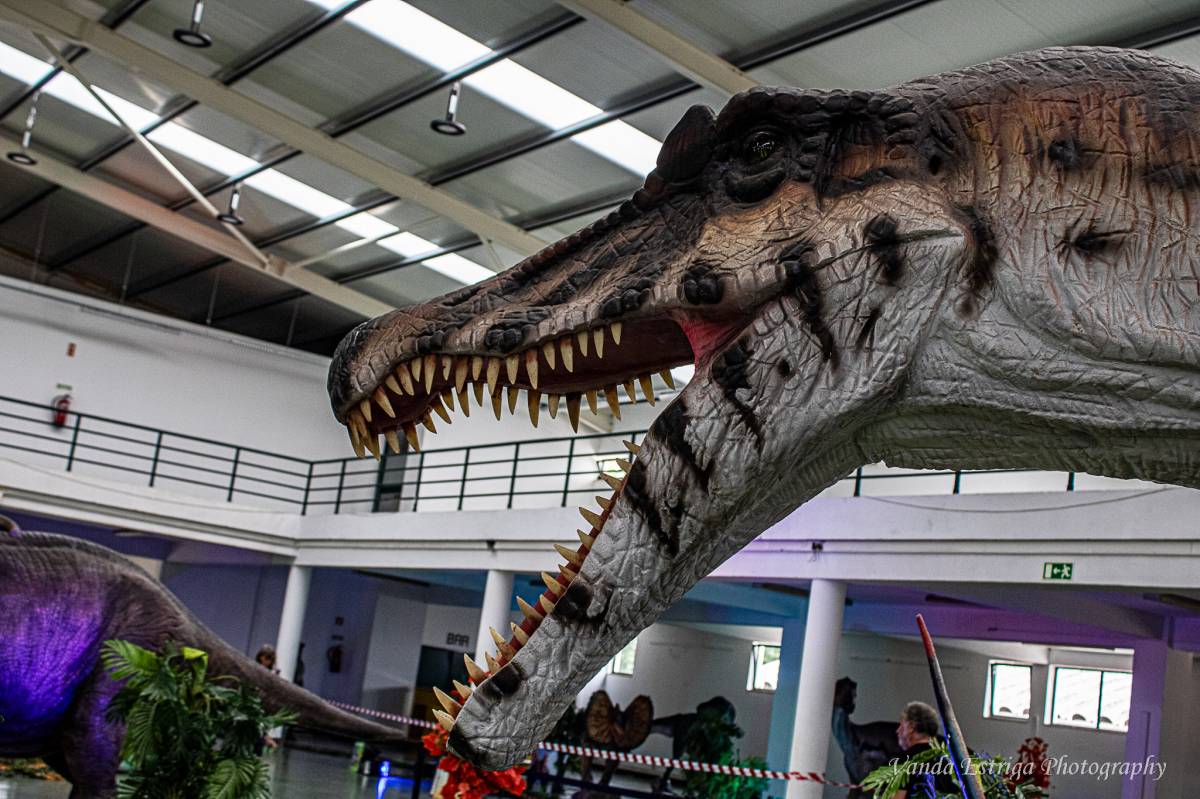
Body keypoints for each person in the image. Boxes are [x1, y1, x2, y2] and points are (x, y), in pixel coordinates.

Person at [890, 702, 957, 799]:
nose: (897, 731)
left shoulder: (905, 760)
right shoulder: (949, 760)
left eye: (901, 725)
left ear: (911, 727)